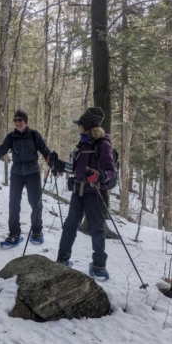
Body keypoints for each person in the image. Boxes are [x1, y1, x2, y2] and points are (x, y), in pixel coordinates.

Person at [47, 107, 115, 277]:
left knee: (97, 229)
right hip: (78, 191)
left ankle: (99, 266)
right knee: (70, 225)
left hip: (96, 193)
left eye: (80, 124)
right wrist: (57, 163)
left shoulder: (103, 144)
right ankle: (62, 259)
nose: (78, 127)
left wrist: (98, 175)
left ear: (87, 126)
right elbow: (73, 168)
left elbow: (111, 171)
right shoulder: (82, 144)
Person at [0, 109, 51, 245]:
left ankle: (37, 230)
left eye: (20, 120)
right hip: (17, 173)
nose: (17, 122)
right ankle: (14, 234)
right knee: (13, 204)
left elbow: (45, 151)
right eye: (15, 120)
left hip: (32, 172)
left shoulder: (34, 135)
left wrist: (53, 162)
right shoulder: (11, 137)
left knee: (36, 203)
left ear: (25, 121)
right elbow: (0, 151)